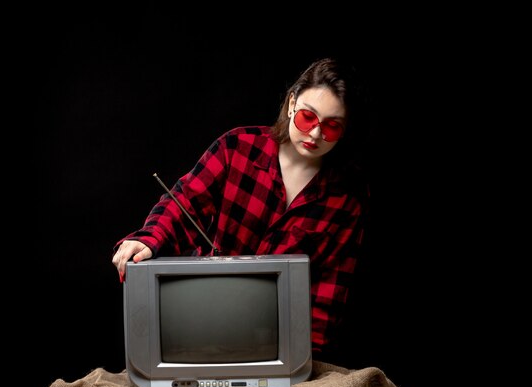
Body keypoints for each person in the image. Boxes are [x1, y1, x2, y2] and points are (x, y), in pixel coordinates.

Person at [112, 56, 371, 360]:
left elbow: (329, 290)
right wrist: (148, 239)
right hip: (206, 320)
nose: (315, 134)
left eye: (331, 127)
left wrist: (302, 361)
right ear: (291, 104)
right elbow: (183, 204)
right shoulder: (237, 147)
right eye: (307, 118)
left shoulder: (348, 196)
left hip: (280, 341)